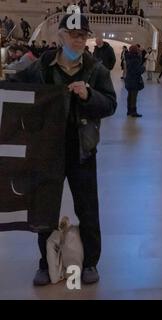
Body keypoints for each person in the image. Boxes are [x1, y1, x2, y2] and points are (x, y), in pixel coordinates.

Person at [9, 14, 116, 286]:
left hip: (82, 149)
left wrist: (89, 95)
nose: (78, 39)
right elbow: (14, 91)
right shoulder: (41, 68)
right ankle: (45, 264)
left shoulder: (96, 70)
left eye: (82, 35)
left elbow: (111, 105)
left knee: (88, 208)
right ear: (60, 36)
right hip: (47, 150)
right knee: (44, 209)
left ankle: (90, 262)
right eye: (73, 34)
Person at [125, 45, 145, 117]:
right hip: (134, 80)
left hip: (129, 79)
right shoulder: (135, 59)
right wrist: (143, 68)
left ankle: (129, 111)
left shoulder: (128, 58)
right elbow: (137, 70)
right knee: (133, 96)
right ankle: (133, 111)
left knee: (129, 96)